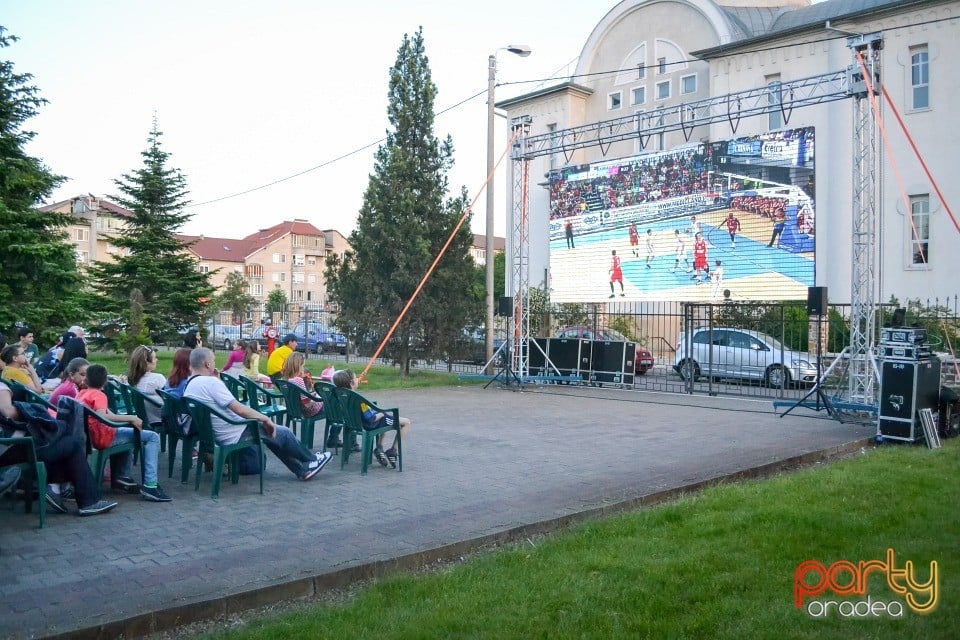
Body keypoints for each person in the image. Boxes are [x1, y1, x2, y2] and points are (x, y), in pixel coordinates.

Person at [183, 347, 331, 480]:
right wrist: (264, 418)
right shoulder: (211, 383)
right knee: (283, 433)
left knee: (274, 436)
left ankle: (303, 469)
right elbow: (239, 409)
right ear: (208, 364)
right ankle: (311, 460)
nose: (215, 364)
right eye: (213, 361)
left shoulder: (190, 385)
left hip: (217, 434)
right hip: (235, 431)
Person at [0, 377, 117, 516]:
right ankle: (86, 501)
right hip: (12, 448)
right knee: (70, 443)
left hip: (12, 447)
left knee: (62, 441)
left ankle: (56, 489)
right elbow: (8, 412)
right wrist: (25, 410)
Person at [77, 364, 171, 502]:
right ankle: (150, 485)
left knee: (128, 435)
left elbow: (104, 413)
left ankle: (121, 477)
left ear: (86, 380)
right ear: (105, 382)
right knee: (152, 437)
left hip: (92, 437)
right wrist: (130, 418)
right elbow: (102, 415)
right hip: (104, 437)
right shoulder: (99, 395)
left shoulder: (82, 393)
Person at [333, 368, 410, 469]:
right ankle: (393, 451)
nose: (358, 380)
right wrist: (382, 414)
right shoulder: (358, 399)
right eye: (356, 378)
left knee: (384, 425)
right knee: (406, 422)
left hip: (354, 424)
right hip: (370, 424)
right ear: (352, 383)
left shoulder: (341, 396)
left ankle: (379, 448)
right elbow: (371, 418)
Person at [127, 346, 166, 426]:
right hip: (160, 418)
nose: (156, 360)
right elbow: (168, 398)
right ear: (147, 362)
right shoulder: (157, 378)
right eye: (154, 358)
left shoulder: (131, 379)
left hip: (144, 417)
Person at [281, 352, 323, 418]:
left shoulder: (284, 380)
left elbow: (298, 397)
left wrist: (310, 395)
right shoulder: (298, 380)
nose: (303, 369)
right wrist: (321, 399)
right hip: (309, 411)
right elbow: (307, 404)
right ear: (298, 366)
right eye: (302, 366)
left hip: (294, 409)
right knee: (334, 408)